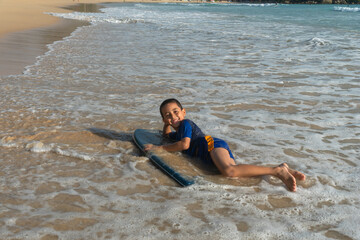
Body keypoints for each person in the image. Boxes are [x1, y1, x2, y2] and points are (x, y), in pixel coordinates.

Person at [144, 98, 306, 192]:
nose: (173, 116)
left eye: (175, 111)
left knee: (230, 171)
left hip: (211, 145)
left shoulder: (185, 124)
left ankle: (277, 172)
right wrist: (166, 123)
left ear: (183, 112)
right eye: (168, 115)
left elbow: (184, 145)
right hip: (209, 154)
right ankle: (282, 167)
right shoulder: (177, 133)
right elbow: (166, 136)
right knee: (238, 173)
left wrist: (159, 149)